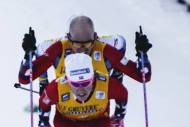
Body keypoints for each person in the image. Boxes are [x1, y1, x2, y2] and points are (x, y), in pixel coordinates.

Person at [18, 15, 152, 87]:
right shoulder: (56, 48)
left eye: (87, 44)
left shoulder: (106, 47)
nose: (82, 50)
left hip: (97, 113)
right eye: (76, 44)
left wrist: (142, 54)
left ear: (95, 37)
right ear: (68, 38)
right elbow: (25, 78)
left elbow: (142, 76)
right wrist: (28, 55)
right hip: (67, 115)